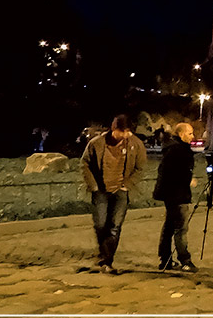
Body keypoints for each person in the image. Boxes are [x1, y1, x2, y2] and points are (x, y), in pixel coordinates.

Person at [80, 114, 148, 274]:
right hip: (101, 191)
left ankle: (107, 260)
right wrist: (94, 186)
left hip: (120, 191)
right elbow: (85, 163)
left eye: (127, 132)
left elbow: (140, 168)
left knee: (115, 227)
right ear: (113, 129)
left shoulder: (135, 144)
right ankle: (103, 255)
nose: (125, 135)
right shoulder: (97, 143)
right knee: (100, 225)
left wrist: (127, 185)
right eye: (122, 132)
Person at [153, 122, 199, 273]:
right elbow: (176, 172)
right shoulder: (178, 150)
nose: (193, 136)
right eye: (190, 133)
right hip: (177, 194)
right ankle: (184, 259)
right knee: (180, 228)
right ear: (181, 134)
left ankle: (165, 259)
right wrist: (188, 180)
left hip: (170, 193)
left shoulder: (172, 148)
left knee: (169, 227)